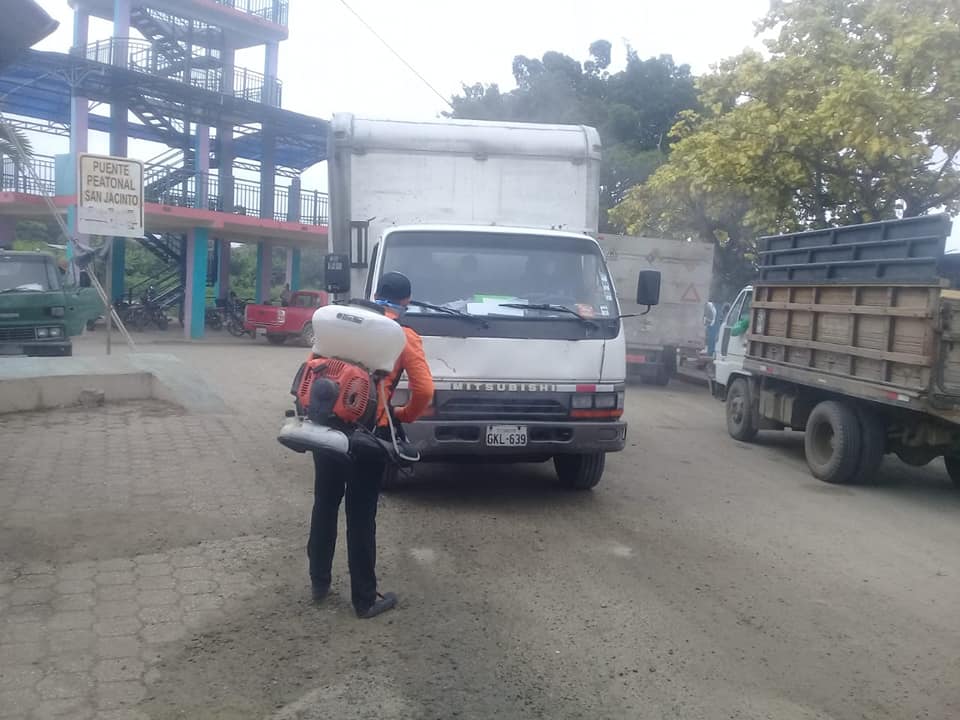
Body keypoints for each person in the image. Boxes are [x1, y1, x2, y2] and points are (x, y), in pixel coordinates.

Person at [306, 271, 434, 618]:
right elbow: (424, 390)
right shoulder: (402, 335)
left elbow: (314, 365)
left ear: (376, 294)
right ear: (406, 301)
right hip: (370, 435)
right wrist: (402, 415)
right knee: (361, 515)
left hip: (328, 425)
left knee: (325, 503)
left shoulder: (339, 320)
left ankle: (319, 582)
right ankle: (364, 599)